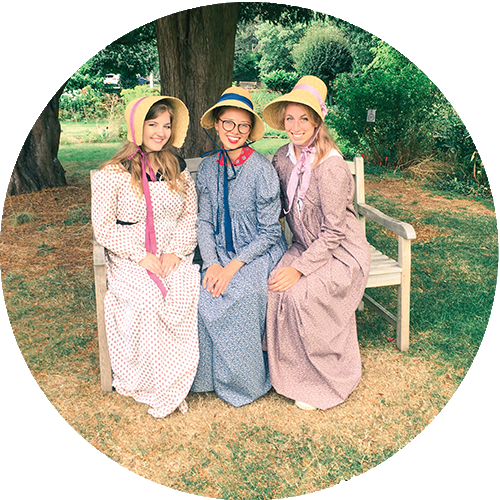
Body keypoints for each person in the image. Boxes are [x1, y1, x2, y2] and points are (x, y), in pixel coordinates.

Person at [262, 76, 371, 411]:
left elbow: (335, 233)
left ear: (317, 121)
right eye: (290, 118)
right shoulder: (283, 157)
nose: (295, 126)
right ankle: (288, 371)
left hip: (339, 252)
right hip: (304, 245)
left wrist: (299, 269)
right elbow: (277, 204)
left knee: (301, 294)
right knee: (274, 287)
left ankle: (324, 376)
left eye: (304, 118)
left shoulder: (331, 165)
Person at [91, 96, 200, 418]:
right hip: (130, 256)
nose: (161, 132)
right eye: (153, 124)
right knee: (149, 300)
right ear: (137, 126)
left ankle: (177, 376)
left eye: (166, 125)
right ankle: (154, 381)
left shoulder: (175, 168)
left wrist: (175, 252)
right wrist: (140, 256)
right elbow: (105, 227)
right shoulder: (114, 172)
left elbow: (189, 216)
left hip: (171, 254)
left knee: (184, 292)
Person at [190, 87, 287, 407]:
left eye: (243, 125)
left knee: (240, 293)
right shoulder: (206, 168)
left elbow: (270, 231)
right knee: (205, 290)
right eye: (228, 123)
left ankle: (245, 381)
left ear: (251, 131)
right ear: (216, 125)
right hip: (218, 251)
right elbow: (203, 222)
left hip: (258, 251)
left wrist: (232, 266)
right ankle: (207, 377)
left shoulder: (261, 169)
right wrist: (212, 264)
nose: (234, 132)